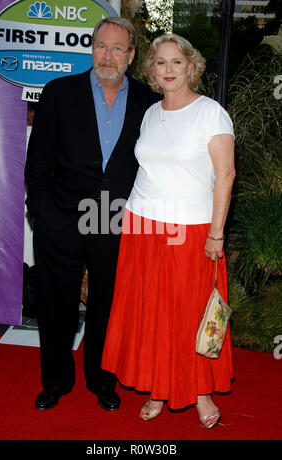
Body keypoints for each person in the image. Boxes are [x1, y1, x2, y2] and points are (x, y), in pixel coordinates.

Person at [24, 17, 159, 411]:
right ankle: (56, 381)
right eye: (101, 46)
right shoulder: (59, 92)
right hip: (62, 219)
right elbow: (38, 163)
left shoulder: (148, 102)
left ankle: (102, 379)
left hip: (117, 221)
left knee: (109, 304)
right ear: (92, 48)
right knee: (56, 304)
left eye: (118, 48)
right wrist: (42, 214)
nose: (108, 55)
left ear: (131, 56)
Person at [101, 34, 236, 429]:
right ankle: (158, 389)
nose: (169, 70)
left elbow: (225, 175)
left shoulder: (211, 113)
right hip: (142, 225)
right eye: (161, 63)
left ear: (191, 67)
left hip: (192, 230)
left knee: (191, 313)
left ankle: (200, 392)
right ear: (151, 71)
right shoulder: (150, 112)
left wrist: (216, 233)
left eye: (177, 62)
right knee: (151, 313)